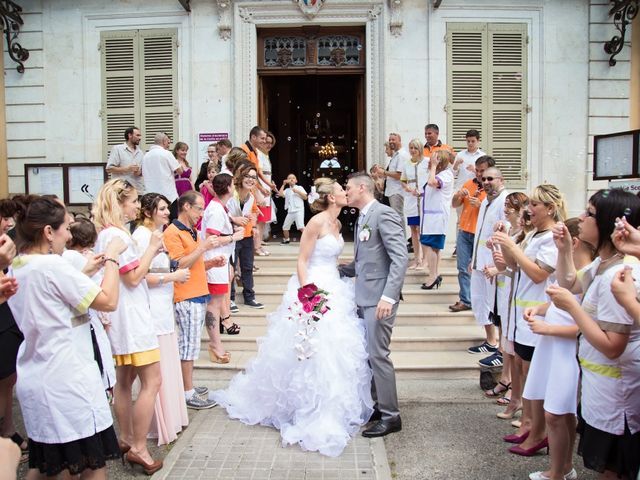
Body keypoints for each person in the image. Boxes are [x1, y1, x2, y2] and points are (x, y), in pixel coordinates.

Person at [213, 177, 373, 457]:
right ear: (331, 198)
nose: (345, 192)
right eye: (340, 190)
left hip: (334, 286)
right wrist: (307, 293)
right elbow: (302, 260)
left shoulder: (337, 224)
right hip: (313, 287)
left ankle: (331, 404)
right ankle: (305, 405)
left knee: (335, 348)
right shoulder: (317, 222)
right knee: (311, 347)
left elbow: (334, 259)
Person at [8, 194, 126, 479]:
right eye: (66, 228)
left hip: (39, 372)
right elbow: (108, 300)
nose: (68, 234)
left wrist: (87, 270)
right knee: (90, 467)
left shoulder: (19, 266)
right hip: (67, 378)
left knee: (48, 466)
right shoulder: (52, 267)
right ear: (48, 232)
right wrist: (112, 256)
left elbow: (54, 299)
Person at [547, 189, 640, 480]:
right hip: (601, 388)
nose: (582, 218)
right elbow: (570, 280)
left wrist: (574, 310)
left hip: (616, 395)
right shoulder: (602, 264)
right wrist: (564, 250)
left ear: (609, 225)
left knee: (614, 469)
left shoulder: (619, 275)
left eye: (589, 214)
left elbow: (613, 346)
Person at [92, 179, 165, 474]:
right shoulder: (117, 235)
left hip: (123, 317)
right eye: (134, 201)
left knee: (124, 381)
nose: (137, 206)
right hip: (132, 318)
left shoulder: (109, 234)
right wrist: (152, 249)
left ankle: (125, 438)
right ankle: (138, 447)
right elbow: (134, 278)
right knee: (153, 381)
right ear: (120, 203)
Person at [491, 183, 566, 457]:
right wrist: (503, 245)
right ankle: (529, 426)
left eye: (534, 204)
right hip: (521, 315)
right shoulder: (534, 235)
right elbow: (513, 266)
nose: (529, 209)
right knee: (523, 370)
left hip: (538, 315)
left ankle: (538, 432)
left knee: (534, 376)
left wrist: (512, 245)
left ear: (550, 208)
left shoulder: (551, 237)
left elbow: (537, 274)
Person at [522, 218, 594, 480]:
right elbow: (559, 303)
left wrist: (548, 329)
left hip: (567, 350)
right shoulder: (572, 270)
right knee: (555, 412)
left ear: (574, 242)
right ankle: (562, 468)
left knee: (558, 413)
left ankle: (558, 471)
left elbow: (585, 325)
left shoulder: (589, 274)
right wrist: (540, 310)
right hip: (551, 347)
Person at [339, 172, 408, 438]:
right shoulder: (362, 217)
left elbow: (399, 259)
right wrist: (336, 271)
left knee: (378, 355)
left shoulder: (384, 214)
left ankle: (392, 416)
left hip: (380, 299)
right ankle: (379, 406)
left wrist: (388, 297)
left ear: (362, 187)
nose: (346, 192)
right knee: (368, 355)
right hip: (364, 296)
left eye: (348, 188)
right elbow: (363, 261)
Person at [133, 193, 190, 445]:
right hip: (151, 305)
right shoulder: (141, 237)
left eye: (168, 208)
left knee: (168, 359)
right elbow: (138, 276)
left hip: (164, 303)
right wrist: (173, 277)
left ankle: (171, 418)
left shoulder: (159, 234)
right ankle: (155, 424)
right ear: (148, 212)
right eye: (163, 209)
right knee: (156, 367)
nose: (168, 213)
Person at [163, 191, 224, 408]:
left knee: (192, 344)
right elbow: (178, 265)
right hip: (186, 294)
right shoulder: (172, 232)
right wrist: (203, 248)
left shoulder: (192, 231)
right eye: (199, 208)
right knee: (187, 346)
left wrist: (210, 263)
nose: (201, 213)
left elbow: (194, 263)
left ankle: (187, 385)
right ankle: (187, 393)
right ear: (186, 207)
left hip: (198, 291)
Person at [62, 217, 117, 396]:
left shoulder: (72, 257)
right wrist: (111, 259)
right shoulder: (73, 258)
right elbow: (107, 298)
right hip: (90, 317)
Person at [199, 175, 245, 360]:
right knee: (214, 304)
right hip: (215, 260)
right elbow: (212, 239)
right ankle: (215, 345)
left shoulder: (220, 207)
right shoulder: (217, 210)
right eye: (233, 185)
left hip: (222, 260)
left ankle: (216, 344)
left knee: (217, 303)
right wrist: (234, 237)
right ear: (227, 187)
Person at [467, 166, 508, 363]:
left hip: (494, 263)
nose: (486, 182)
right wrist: (473, 259)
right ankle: (490, 340)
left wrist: (497, 264)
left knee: (496, 304)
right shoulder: (485, 201)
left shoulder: (505, 201)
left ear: (501, 180)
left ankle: (502, 349)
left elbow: (507, 232)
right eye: (484, 179)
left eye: (491, 178)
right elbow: (480, 233)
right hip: (480, 261)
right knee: (480, 301)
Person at [449, 156, 494, 312]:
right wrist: (458, 195)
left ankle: (482, 299)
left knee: (479, 268)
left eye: (483, 170)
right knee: (462, 267)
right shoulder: (469, 184)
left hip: (481, 235)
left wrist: (481, 205)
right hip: (464, 231)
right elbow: (454, 205)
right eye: (478, 170)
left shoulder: (494, 191)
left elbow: (497, 214)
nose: (480, 174)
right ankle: (465, 300)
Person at [227, 166, 263, 309]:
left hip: (247, 235)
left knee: (247, 267)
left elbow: (253, 213)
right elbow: (222, 211)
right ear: (241, 177)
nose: (250, 179)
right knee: (231, 267)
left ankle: (249, 297)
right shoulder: (231, 194)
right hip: (232, 235)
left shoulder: (251, 197)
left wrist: (253, 227)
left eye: (253, 177)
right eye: (247, 176)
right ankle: (230, 299)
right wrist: (235, 219)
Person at [419, 149, 455, 290]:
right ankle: (434, 274)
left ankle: (433, 276)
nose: (431, 161)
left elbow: (433, 182)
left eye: (435, 159)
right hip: (430, 217)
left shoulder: (446, 175)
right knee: (432, 247)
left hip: (437, 218)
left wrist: (433, 166)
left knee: (431, 247)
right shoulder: (439, 174)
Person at [400, 138, 429, 270]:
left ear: (420, 149)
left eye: (415, 148)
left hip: (424, 199)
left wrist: (422, 191)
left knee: (421, 230)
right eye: (411, 148)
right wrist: (408, 188)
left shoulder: (427, 162)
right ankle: (417, 259)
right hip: (411, 200)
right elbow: (403, 181)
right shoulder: (406, 164)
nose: (413, 151)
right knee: (413, 230)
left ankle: (425, 259)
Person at [141, 132, 183, 221]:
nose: (169, 145)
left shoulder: (146, 156)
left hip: (151, 195)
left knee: (154, 221)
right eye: (168, 142)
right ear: (164, 141)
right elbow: (180, 171)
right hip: (168, 195)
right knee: (173, 221)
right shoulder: (166, 153)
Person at [374, 132, 407, 219]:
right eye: (390, 140)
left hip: (396, 191)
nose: (391, 142)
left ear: (399, 140)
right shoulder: (396, 156)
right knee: (394, 216)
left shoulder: (401, 155)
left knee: (397, 215)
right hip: (391, 191)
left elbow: (399, 175)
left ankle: (401, 233)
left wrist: (384, 172)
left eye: (393, 140)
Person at [107, 126, 145, 194]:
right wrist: (127, 169)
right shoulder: (117, 149)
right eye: (137, 135)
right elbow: (109, 169)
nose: (140, 138)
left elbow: (142, 172)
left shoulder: (140, 152)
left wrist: (139, 173)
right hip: (121, 191)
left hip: (137, 191)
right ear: (130, 135)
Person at [278, 174, 307, 244]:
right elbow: (280, 194)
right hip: (290, 211)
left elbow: (305, 197)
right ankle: (287, 239)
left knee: (301, 227)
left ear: (296, 180)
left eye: (293, 178)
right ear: (287, 181)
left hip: (299, 210)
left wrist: (297, 191)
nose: (291, 179)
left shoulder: (299, 187)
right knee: (285, 227)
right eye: (289, 178)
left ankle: (309, 239)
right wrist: (283, 184)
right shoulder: (287, 190)